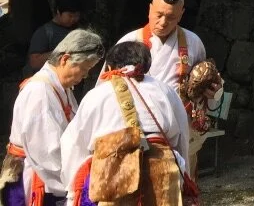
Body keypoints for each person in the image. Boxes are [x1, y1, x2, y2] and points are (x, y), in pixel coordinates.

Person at [62, 41, 192, 206]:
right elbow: (181, 136)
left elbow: (74, 144)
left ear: (109, 67)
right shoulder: (165, 90)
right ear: (146, 66)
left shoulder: (96, 95)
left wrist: (72, 191)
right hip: (162, 167)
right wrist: (184, 170)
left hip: (113, 173)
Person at [114, 0, 220, 177]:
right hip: (138, 125)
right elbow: (108, 88)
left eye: (170, 17)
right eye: (159, 15)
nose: (163, 22)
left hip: (180, 126)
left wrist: (212, 91)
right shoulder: (129, 42)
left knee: (181, 183)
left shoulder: (193, 42)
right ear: (149, 10)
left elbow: (208, 82)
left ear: (181, 15)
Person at [1, 30, 104, 206]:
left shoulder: (60, 87)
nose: (85, 76)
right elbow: (47, 151)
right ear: (65, 59)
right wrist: (76, 181)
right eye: (84, 69)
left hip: (52, 173)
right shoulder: (39, 91)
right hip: (36, 178)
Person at [26, 0, 84, 73]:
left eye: (77, 16)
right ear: (58, 11)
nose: (74, 19)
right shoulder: (44, 33)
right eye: (70, 15)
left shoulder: (79, 28)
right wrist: (62, 50)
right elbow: (34, 63)